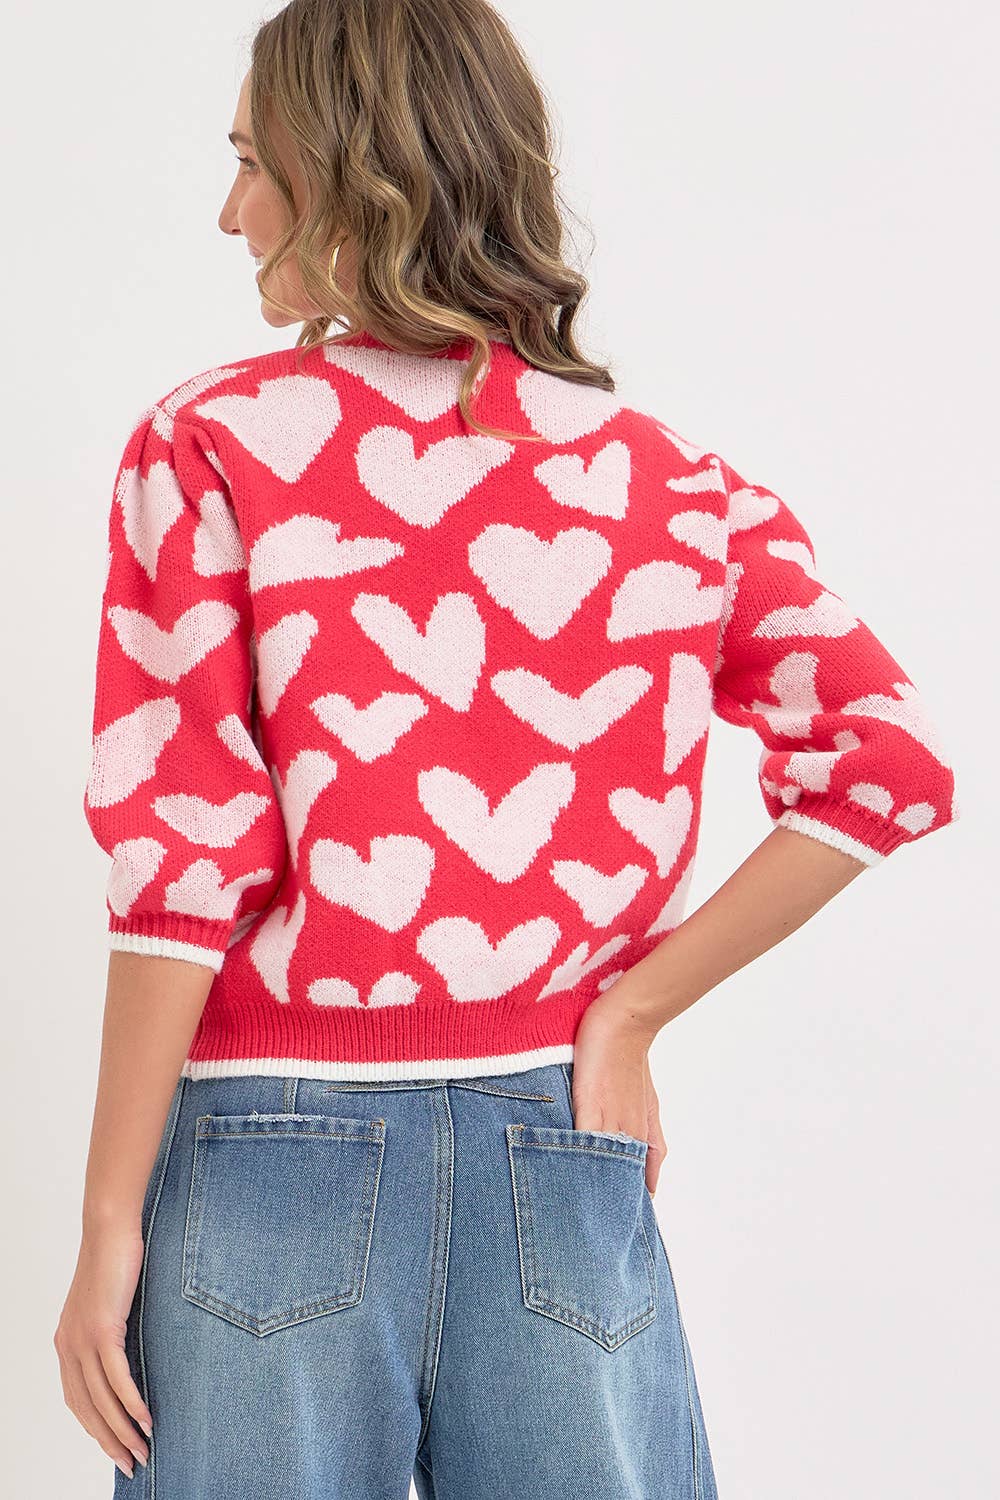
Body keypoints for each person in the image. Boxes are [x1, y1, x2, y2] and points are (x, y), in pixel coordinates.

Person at [53, 2, 959, 1496]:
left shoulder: (210, 446)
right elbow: (891, 761)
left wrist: (106, 1227)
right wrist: (628, 1017)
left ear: (346, 169)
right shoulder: (670, 485)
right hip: (559, 1136)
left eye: (252, 163)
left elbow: (187, 853)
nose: (229, 213)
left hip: (272, 1149)